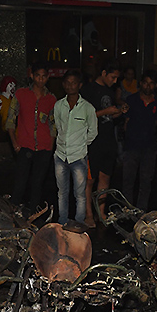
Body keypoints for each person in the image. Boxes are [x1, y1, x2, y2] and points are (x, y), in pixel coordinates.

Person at [6, 60, 56, 210]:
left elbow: (53, 124)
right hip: (24, 145)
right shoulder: (21, 94)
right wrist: (15, 143)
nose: (40, 79)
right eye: (38, 76)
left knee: (37, 183)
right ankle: (13, 212)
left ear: (48, 77)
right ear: (32, 76)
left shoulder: (51, 99)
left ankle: (33, 214)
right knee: (20, 182)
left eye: (44, 76)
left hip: (44, 147)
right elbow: (10, 120)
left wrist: (50, 146)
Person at [81, 62, 124, 225]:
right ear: (104, 73)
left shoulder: (109, 91)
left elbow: (107, 117)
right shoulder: (88, 90)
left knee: (105, 178)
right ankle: (88, 214)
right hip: (93, 142)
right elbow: (83, 116)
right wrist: (106, 111)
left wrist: (118, 112)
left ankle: (101, 212)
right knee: (89, 180)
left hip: (108, 140)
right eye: (113, 77)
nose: (115, 81)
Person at [53, 69, 97, 223]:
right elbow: (59, 127)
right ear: (63, 84)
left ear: (80, 85)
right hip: (60, 155)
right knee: (62, 193)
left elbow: (93, 132)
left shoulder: (88, 108)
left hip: (78, 157)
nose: (70, 86)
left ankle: (78, 224)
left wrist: (81, 144)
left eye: (74, 83)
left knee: (80, 194)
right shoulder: (58, 105)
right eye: (67, 82)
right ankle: (62, 222)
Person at [120, 71, 157, 211]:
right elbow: (126, 121)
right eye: (145, 83)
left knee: (146, 181)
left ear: (155, 85)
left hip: (149, 147)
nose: (148, 86)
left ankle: (141, 211)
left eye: (151, 83)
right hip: (132, 146)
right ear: (140, 84)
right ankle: (128, 209)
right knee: (128, 180)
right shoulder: (132, 100)